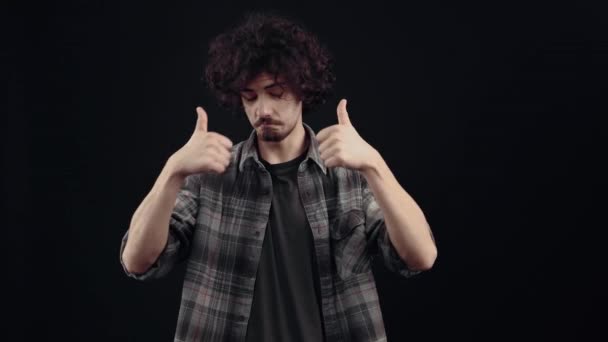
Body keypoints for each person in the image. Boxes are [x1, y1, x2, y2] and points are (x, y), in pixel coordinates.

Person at [120, 11, 437, 342]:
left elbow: (421, 256)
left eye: (276, 91)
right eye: (250, 96)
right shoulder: (209, 175)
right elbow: (137, 261)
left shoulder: (348, 175)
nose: (262, 110)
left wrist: (374, 164)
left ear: (302, 89)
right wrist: (172, 171)